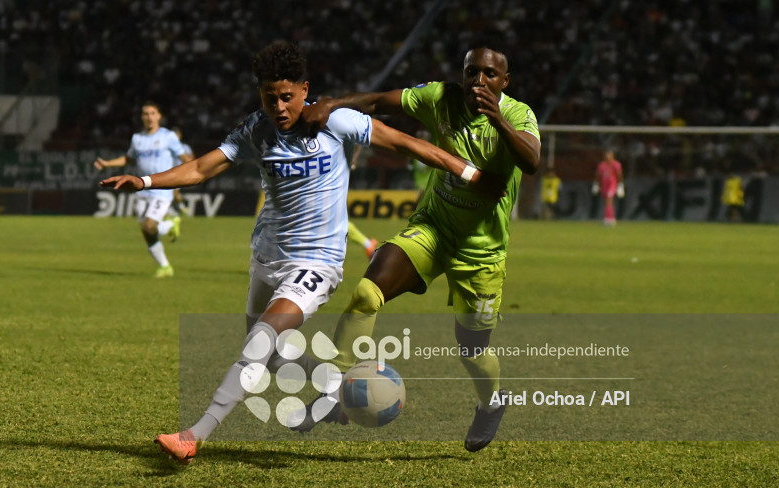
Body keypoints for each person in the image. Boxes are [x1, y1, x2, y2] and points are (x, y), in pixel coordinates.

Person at [99, 41, 502, 463]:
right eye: (269, 97)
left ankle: (194, 435)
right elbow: (201, 168)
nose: (279, 106)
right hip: (267, 257)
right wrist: (144, 182)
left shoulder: (335, 122)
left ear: (305, 89)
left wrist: (470, 172)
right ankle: (336, 383)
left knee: (258, 344)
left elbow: (405, 143)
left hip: (317, 264)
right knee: (270, 357)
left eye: (287, 96)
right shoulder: (256, 129)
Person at [298, 40, 541, 452]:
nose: (478, 80)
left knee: (472, 352)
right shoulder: (440, 98)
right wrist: (330, 105)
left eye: (489, 74)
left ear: (505, 81)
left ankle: (492, 400)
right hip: (432, 228)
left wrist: (497, 118)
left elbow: (532, 160)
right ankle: (331, 387)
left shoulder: (518, 115)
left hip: (480, 253)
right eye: (471, 71)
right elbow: (376, 101)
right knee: (365, 292)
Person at [95, 102, 191, 278]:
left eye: (152, 113)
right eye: (145, 114)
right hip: (142, 189)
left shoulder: (168, 136)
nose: (149, 117)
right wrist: (107, 163)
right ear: (142, 117)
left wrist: (192, 174)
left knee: (149, 226)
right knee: (147, 231)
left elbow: (185, 158)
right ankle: (165, 264)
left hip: (162, 189)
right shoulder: (137, 139)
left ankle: (169, 230)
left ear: (159, 116)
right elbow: (128, 159)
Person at [592, 149, 624, 226]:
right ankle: (608, 217)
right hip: (604, 184)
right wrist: (596, 184)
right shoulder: (601, 165)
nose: (608, 156)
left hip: (612, 184)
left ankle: (610, 218)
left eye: (609, 155)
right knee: (606, 201)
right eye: (606, 155)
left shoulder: (616, 165)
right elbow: (598, 175)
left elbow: (619, 175)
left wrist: (620, 186)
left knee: (609, 201)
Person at [169, 126, 196, 217]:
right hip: (167, 172)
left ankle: (181, 208)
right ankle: (178, 209)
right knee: (171, 192)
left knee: (173, 191)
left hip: (179, 172)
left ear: (180, 136)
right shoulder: (166, 147)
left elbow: (191, 159)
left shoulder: (185, 147)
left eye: (177, 135)